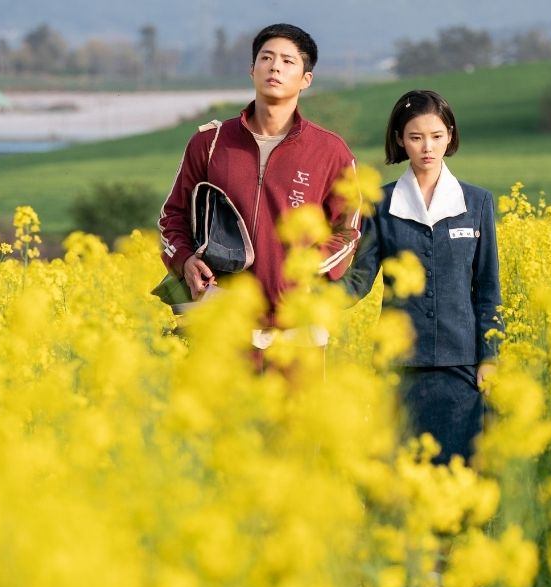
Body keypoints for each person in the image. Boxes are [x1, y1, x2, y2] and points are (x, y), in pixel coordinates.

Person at [158, 23, 360, 353]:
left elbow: (348, 231)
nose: (275, 66)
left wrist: (304, 272)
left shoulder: (330, 152)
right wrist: (184, 261)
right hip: (221, 322)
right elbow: (173, 217)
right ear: (252, 70)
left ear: (306, 79)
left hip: (298, 331)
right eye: (266, 58)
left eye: (288, 61)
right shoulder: (210, 143)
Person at [343, 90, 503, 465]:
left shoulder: (476, 202)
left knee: (461, 476)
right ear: (400, 140)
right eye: (415, 137)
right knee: (396, 475)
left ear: (450, 135)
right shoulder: (379, 204)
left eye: (436, 136)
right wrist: (304, 294)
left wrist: (490, 357)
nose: (427, 147)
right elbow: (358, 280)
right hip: (400, 367)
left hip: (461, 364)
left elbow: (487, 288)